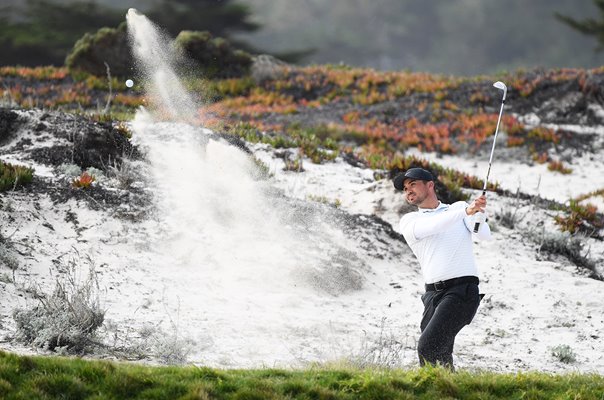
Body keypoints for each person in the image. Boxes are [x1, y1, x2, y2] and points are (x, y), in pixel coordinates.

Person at [393, 167, 492, 369]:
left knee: (427, 347)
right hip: (432, 296)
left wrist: (478, 214)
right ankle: (446, 390)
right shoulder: (410, 221)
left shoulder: (457, 208)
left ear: (430, 185)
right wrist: (465, 211)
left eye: (412, 184)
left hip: (462, 291)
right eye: (404, 188)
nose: (408, 191)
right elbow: (435, 225)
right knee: (440, 355)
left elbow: (482, 235)